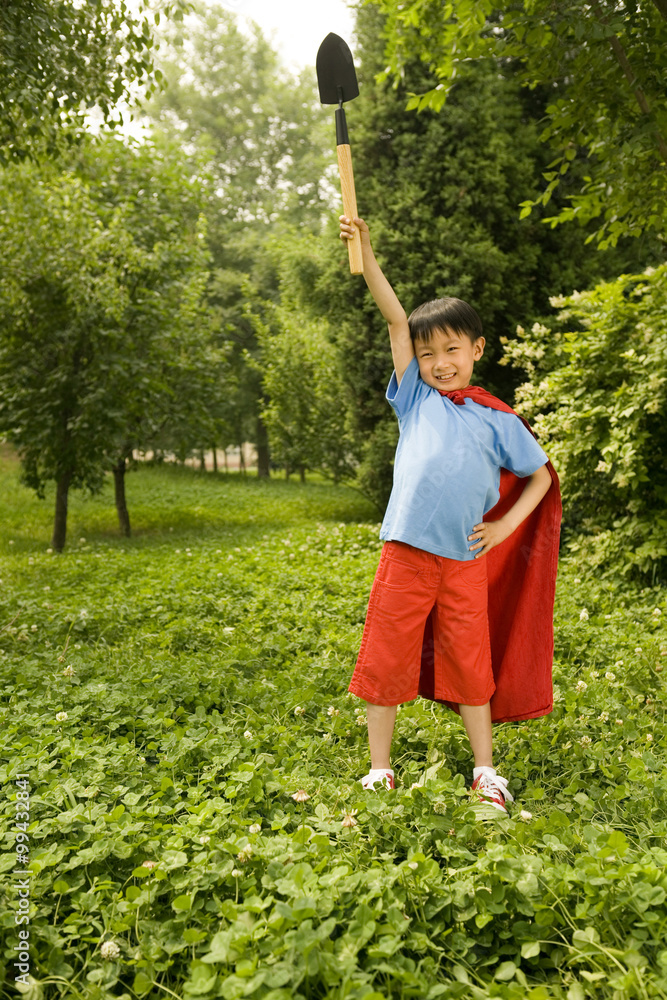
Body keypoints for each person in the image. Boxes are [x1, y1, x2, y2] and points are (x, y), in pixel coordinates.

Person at [340, 214, 561, 813]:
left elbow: (540, 476)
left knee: (472, 662)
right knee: (386, 655)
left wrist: (505, 526)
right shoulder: (415, 398)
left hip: (464, 559)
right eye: (427, 351)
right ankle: (379, 769)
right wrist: (366, 251)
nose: (440, 362)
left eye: (452, 350)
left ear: (476, 350)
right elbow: (393, 315)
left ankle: (485, 770)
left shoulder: (498, 419)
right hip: (406, 554)